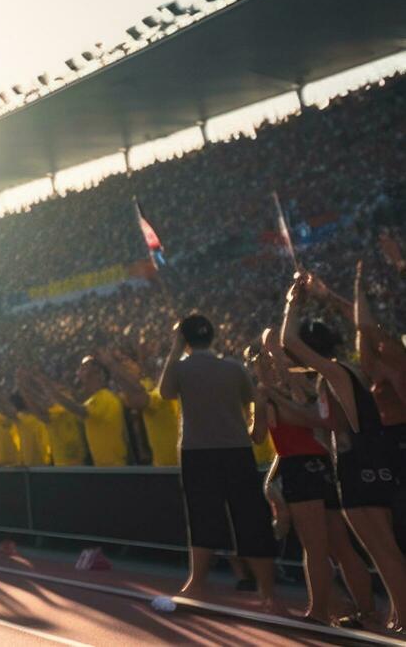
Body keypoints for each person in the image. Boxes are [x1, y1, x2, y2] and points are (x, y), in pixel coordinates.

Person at [281, 270, 406, 631]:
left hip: (363, 464)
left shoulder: (337, 372)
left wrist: (293, 304)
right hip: (356, 464)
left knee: (384, 549)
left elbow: (290, 339)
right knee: (379, 551)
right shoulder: (336, 376)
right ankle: (398, 614)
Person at [157, 312, 278, 610]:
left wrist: (175, 347)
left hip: (198, 452)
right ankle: (268, 593)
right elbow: (253, 401)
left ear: (185, 341)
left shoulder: (181, 369)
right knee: (251, 519)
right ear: (212, 337)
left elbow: (165, 391)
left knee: (202, 519)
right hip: (237, 450)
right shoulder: (234, 368)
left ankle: (197, 584)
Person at [255, 326, 374, 627]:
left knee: (316, 547)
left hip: (300, 466)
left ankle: (320, 611)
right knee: (340, 546)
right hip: (321, 464)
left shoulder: (279, 392)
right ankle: (367, 610)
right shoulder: (302, 385)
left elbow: (261, 434)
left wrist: (265, 401)